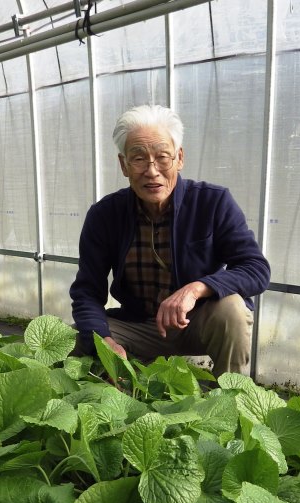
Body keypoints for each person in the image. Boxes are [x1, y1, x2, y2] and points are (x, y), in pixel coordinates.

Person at [69, 104, 270, 377]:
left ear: (179, 158)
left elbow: (256, 269)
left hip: (195, 321)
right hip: (138, 324)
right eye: (138, 158)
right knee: (75, 338)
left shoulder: (212, 202)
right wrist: (104, 340)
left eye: (162, 157)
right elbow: (86, 291)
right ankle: (116, 404)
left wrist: (196, 289)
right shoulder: (105, 215)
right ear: (123, 165)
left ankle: (230, 402)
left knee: (232, 310)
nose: (152, 171)